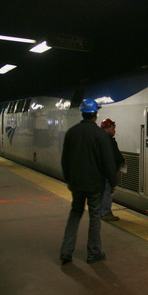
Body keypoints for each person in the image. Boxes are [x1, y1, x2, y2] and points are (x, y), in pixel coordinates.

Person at [59, 98, 118, 265]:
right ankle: (93, 253)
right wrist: (112, 183)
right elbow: (108, 163)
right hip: (95, 186)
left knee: (75, 214)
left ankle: (66, 251)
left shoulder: (72, 132)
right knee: (94, 218)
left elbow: (65, 160)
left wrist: (68, 180)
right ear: (95, 114)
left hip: (77, 185)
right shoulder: (101, 135)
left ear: (82, 113)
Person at [100, 118, 125, 221]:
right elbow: (113, 156)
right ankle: (106, 213)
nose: (114, 130)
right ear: (106, 129)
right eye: (112, 128)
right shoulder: (107, 140)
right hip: (106, 172)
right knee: (107, 191)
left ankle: (101, 212)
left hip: (102, 171)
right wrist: (121, 160)